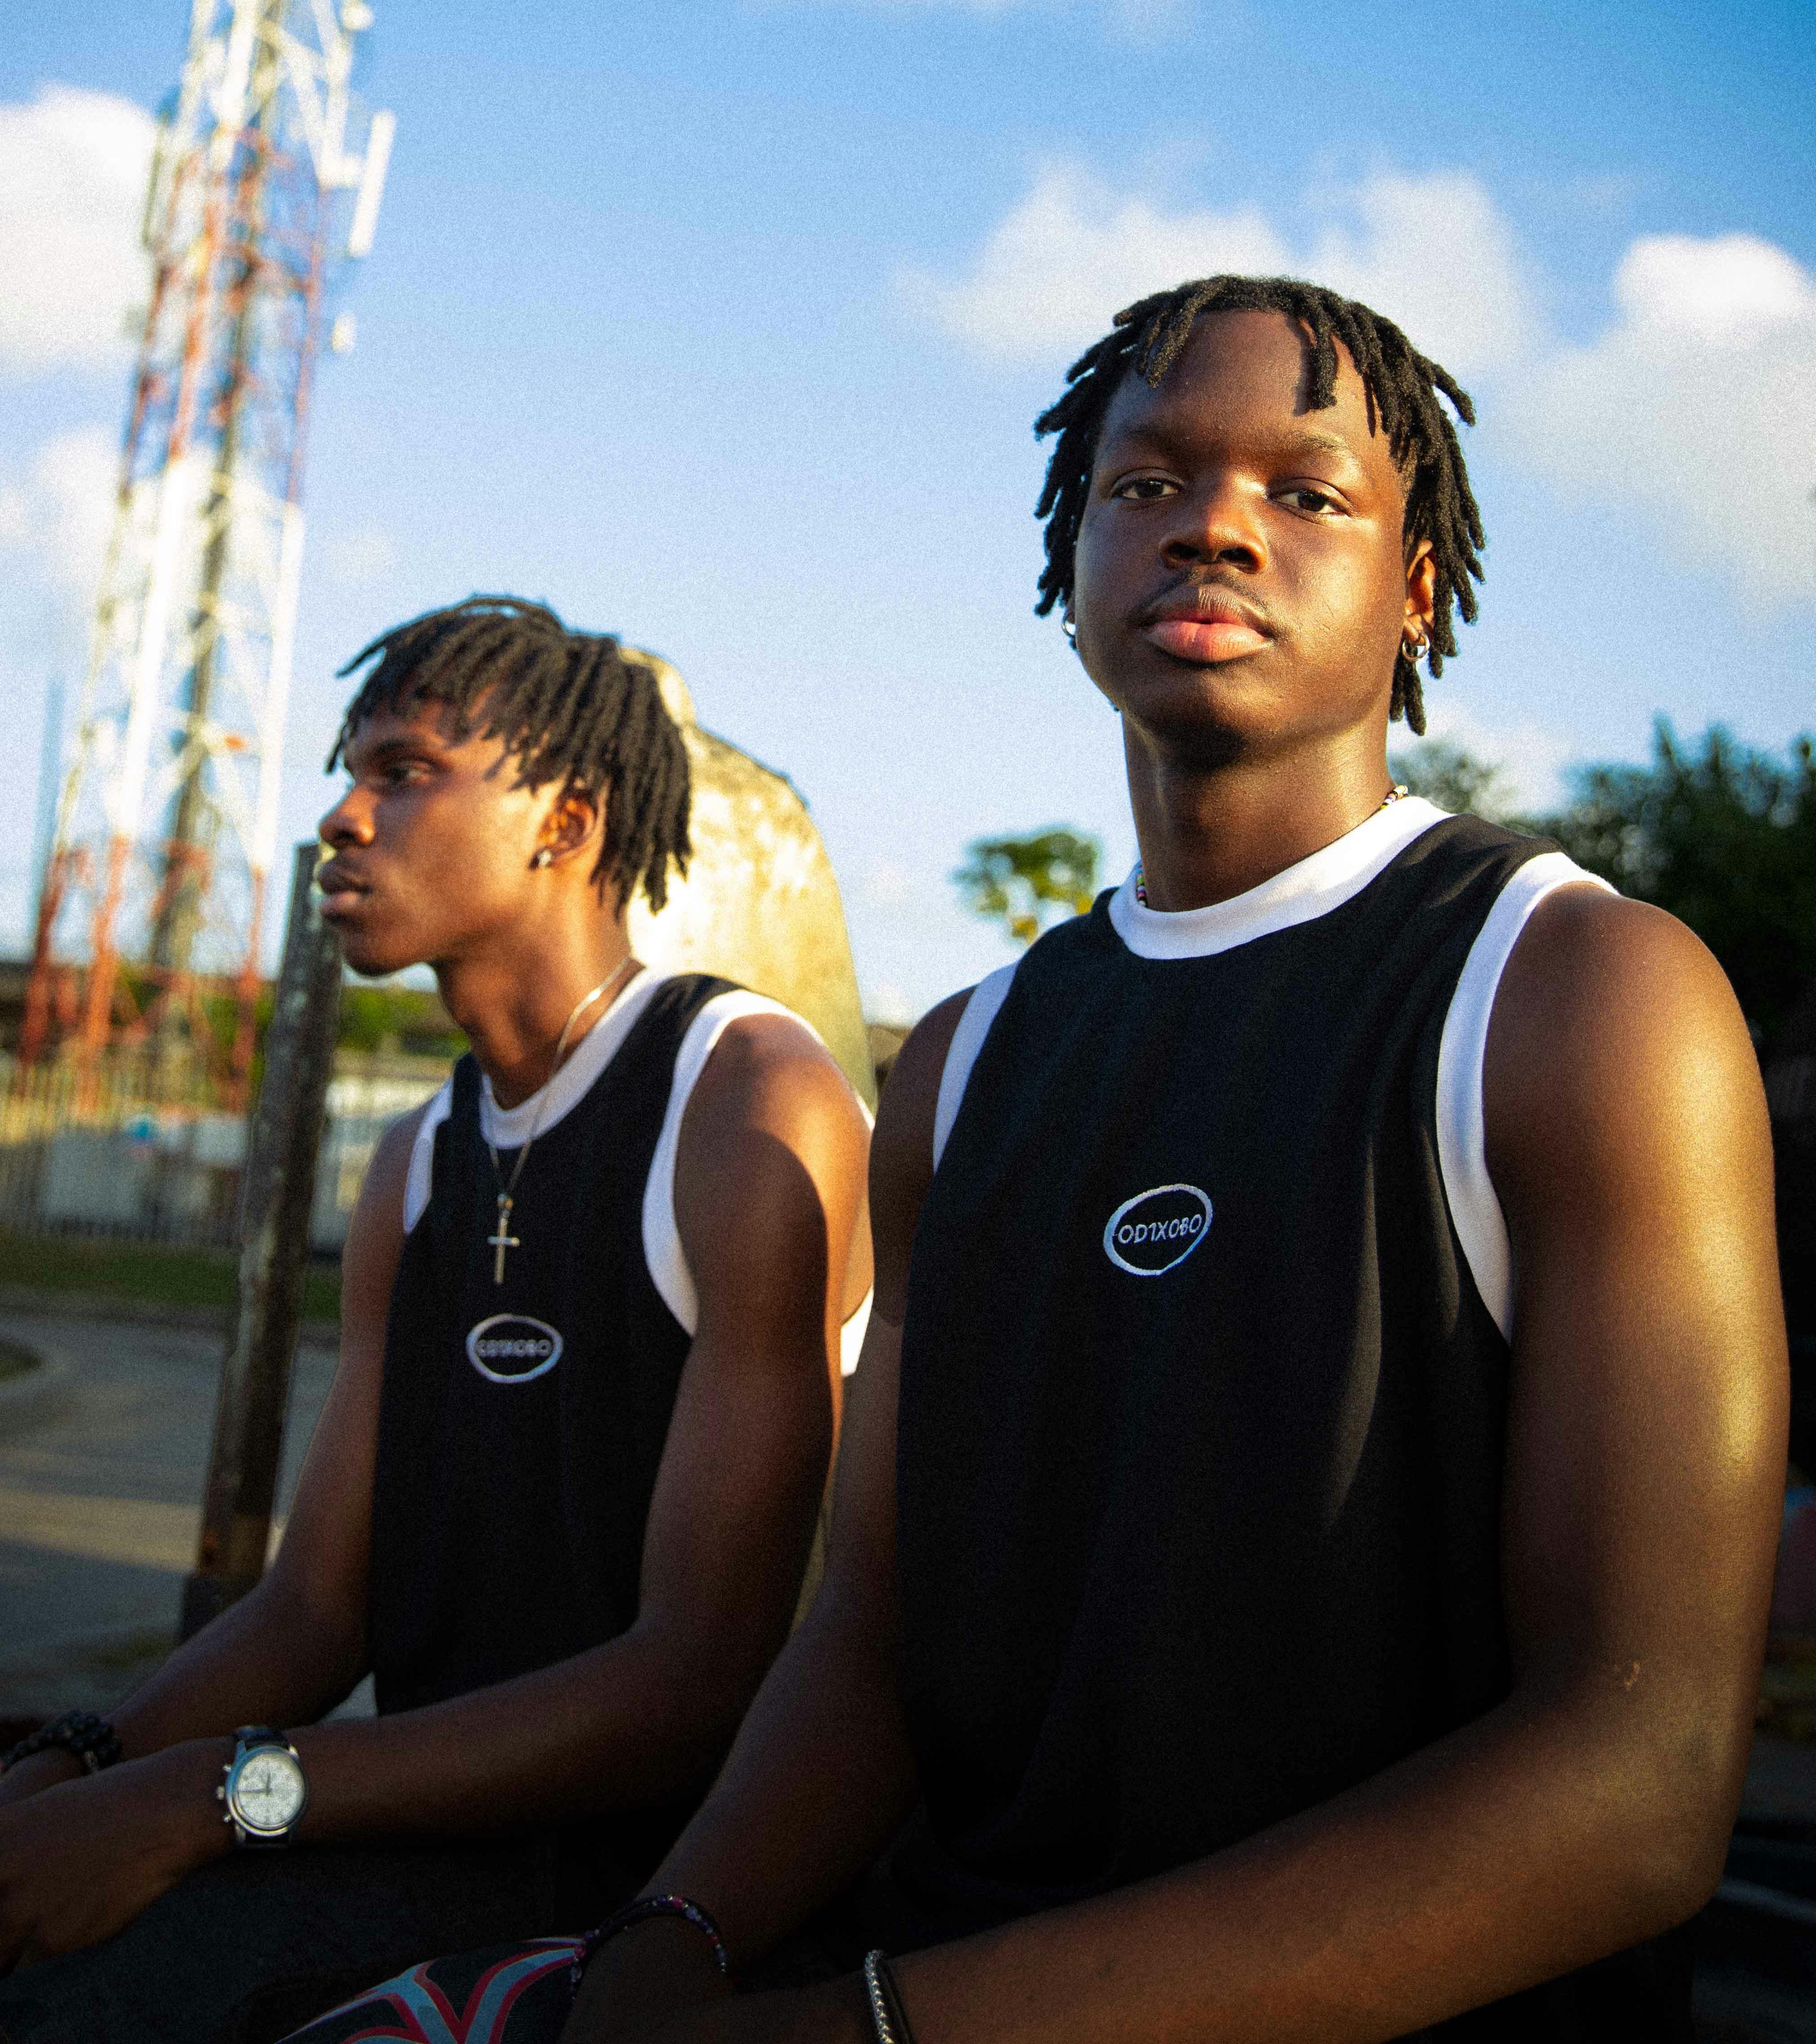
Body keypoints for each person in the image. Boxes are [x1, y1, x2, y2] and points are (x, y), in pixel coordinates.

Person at [343, 277, 1783, 2044]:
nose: (1215, 531)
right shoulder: (968, 1059)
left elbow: (1636, 1780)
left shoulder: (1571, 993)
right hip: (927, 1956)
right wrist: (669, 1943)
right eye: (1144, 484)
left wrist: (865, 2032)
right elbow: (867, 1641)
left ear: (1415, 592)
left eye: (1306, 491)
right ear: (1069, 558)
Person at [0, 598, 872, 2044]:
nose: (340, 816)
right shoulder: (419, 1162)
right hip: (405, 1808)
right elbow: (318, 1609)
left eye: (403, 771)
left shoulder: (740, 1100)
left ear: (563, 824)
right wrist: (60, 1777)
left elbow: (698, 1680)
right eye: (349, 771)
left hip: (650, 1874)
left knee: (69, 2005)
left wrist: (217, 1800)